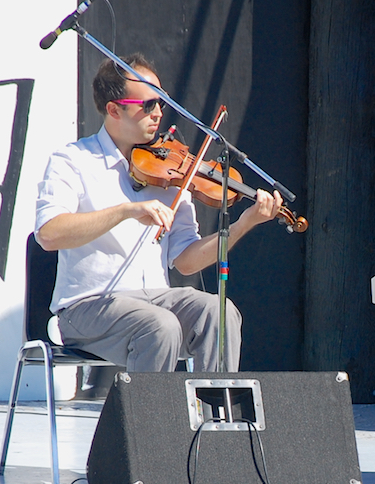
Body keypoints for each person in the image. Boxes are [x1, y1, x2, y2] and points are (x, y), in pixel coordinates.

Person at [35, 53, 285, 372]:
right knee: (160, 325)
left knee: (219, 313)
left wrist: (244, 224)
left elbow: (186, 261)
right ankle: (150, 408)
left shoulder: (168, 171)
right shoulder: (73, 160)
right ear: (114, 109)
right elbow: (49, 234)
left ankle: (216, 405)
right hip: (87, 308)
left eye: (162, 103)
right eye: (148, 105)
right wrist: (126, 211)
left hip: (155, 301)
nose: (158, 113)